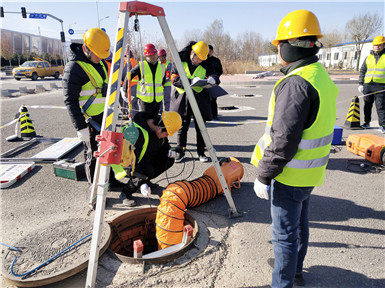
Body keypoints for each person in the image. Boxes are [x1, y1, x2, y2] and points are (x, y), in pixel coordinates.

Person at [251, 10, 339, 288]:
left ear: (290, 45)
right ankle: (296, 270)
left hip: (288, 174)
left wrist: (264, 175)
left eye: (279, 44)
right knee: (300, 225)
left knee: (284, 236)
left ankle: (283, 282)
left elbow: (282, 140)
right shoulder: (318, 75)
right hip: (309, 173)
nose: (277, 50)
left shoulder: (296, 84)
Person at [63, 28, 110, 182]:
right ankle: (94, 189)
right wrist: (80, 127)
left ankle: (111, 181)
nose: (100, 58)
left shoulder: (101, 63)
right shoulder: (74, 68)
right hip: (89, 121)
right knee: (93, 156)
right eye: (98, 54)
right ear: (86, 49)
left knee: (108, 151)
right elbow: (70, 100)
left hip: (103, 117)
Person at [170, 41, 219, 163]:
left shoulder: (206, 64)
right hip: (183, 99)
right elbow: (174, 78)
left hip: (200, 99)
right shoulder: (180, 62)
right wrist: (190, 81)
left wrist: (213, 79)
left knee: (200, 127)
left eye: (202, 60)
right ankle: (180, 152)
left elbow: (214, 74)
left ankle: (201, 153)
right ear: (192, 53)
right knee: (183, 126)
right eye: (198, 59)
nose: (199, 61)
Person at [120, 111, 182, 205]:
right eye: (167, 134)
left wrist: (171, 151)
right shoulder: (136, 133)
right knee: (148, 171)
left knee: (168, 160)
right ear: (160, 129)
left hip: (141, 160)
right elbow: (128, 162)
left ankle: (145, 180)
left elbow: (164, 147)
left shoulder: (159, 129)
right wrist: (141, 182)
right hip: (124, 163)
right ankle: (126, 191)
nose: (167, 136)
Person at [124, 44, 166, 118]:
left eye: (154, 54)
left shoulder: (162, 67)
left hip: (157, 101)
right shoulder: (141, 66)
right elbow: (128, 76)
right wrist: (125, 90)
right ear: (146, 56)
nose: (153, 57)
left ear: (156, 54)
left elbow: (163, 81)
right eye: (150, 55)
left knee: (154, 122)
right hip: (145, 101)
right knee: (146, 122)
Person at [358, 35, 385, 133]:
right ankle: (366, 122)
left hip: (381, 86)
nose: (377, 47)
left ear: (383, 45)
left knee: (381, 106)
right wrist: (361, 83)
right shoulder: (368, 58)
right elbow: (363, 71)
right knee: (367, 105)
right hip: (368, 85)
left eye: (379, 45)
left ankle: (383, 125)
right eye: (375, 45)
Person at [207, 45, 223, 120]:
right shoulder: (203, 60)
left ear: (212, 52)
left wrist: (215, 77)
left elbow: (220, 71)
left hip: (214, 82)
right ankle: (207, 115)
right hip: (205, 82)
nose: (208, 52)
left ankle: (214, 115)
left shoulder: (216, 60)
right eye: (207, 51)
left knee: (213, 99)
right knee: (205, 99)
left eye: (210, 51)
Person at [121, 50, 139, 117]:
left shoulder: (128, 62)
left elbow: (125, 75)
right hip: (137, 86)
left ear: (126, 56)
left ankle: (133, 120)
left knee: (132, 104)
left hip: (131, 86)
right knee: (135, 104)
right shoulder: (135, 61)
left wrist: (123, 85)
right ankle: (137, 119)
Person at [158, 48, 172, 114]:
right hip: (160, 86)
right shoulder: (158, 64)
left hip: (166, 86)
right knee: (159, 100)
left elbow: (167, 76)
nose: (159, 59)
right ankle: (160, 114)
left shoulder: (169, 64)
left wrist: (162, 82)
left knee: (167, 101)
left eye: (160, 57)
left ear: (164, 56)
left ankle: (167, 114)